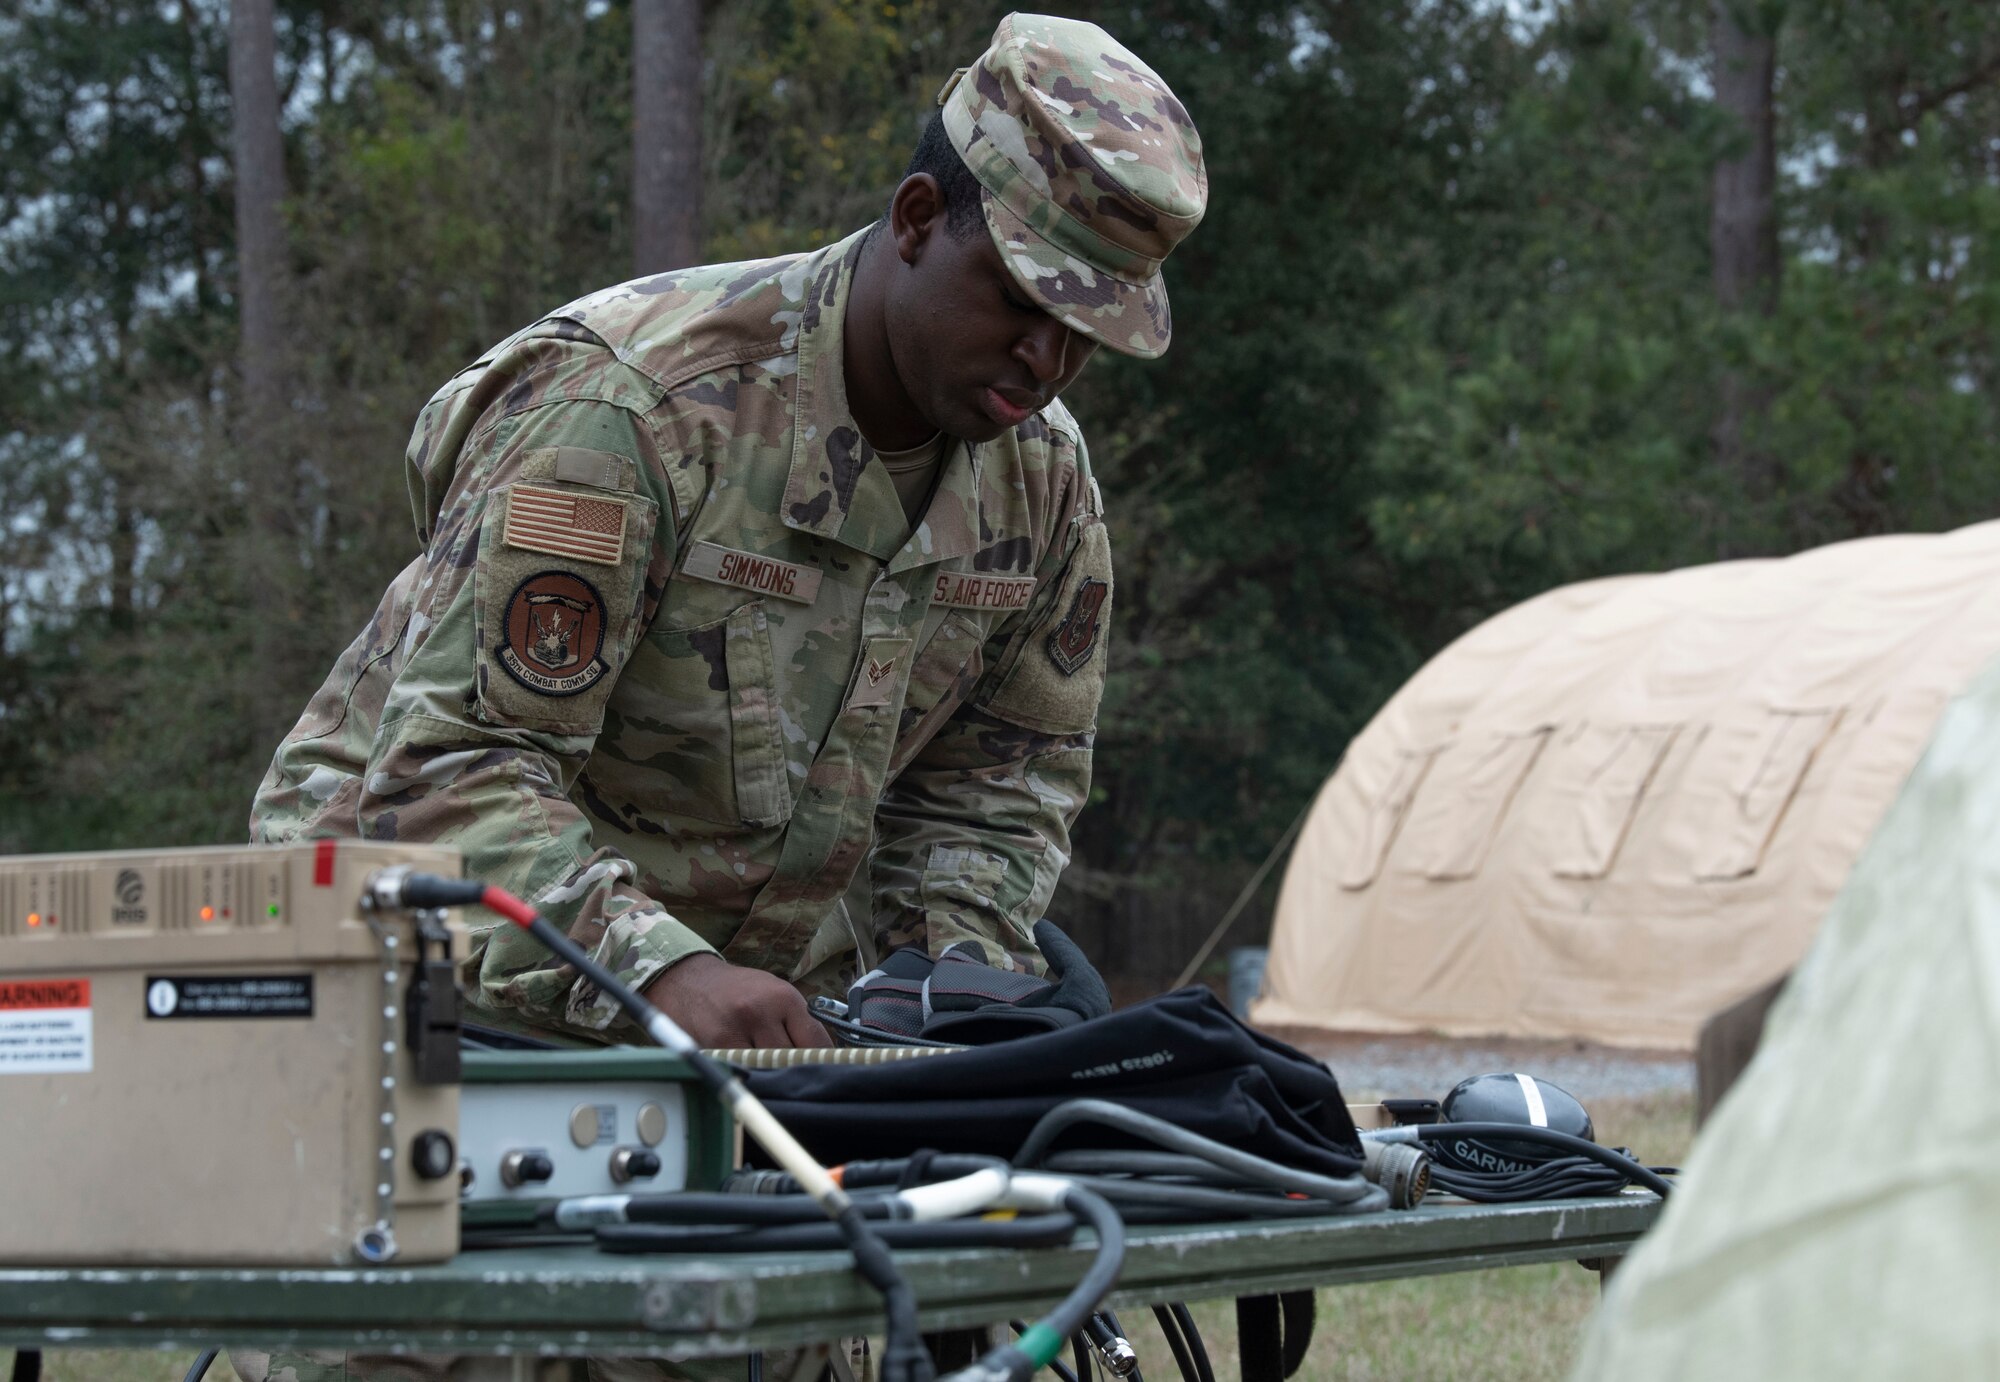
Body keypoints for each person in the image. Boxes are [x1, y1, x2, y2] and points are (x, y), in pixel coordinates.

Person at [240, 16, 1202, 1379]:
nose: (1047, 363)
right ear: (919, 217)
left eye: (1086, 335)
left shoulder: (1039, 489)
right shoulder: (638, 410)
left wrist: (928, 1012)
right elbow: (444, 777)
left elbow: (1000, 793)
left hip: (755, 1068)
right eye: (1024, 303)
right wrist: (660, 968)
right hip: (433, 1013)